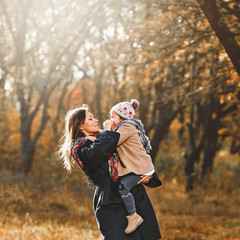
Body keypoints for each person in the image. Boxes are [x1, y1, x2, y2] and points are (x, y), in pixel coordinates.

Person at [58, 105, 162, 240]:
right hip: (110, 202)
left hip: (134, 196)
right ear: (80, 126)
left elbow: (136, 153)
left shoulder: (110, 137)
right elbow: (98, 153)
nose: (96, 120)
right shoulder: (80, 148)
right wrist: (107, 131)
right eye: (90, 119)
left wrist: (149, 174)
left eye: (94, 117)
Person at [107, 99, 157, 234]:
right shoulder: (124, 128)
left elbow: (111, 141)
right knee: (123, 186)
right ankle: (133, 215)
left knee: (122, 187)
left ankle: (133, 216)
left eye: (113, 117)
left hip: (139, 168)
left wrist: (106, 129)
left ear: (123, 118)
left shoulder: (126, 128)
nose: (110, 120)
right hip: (138, 166)